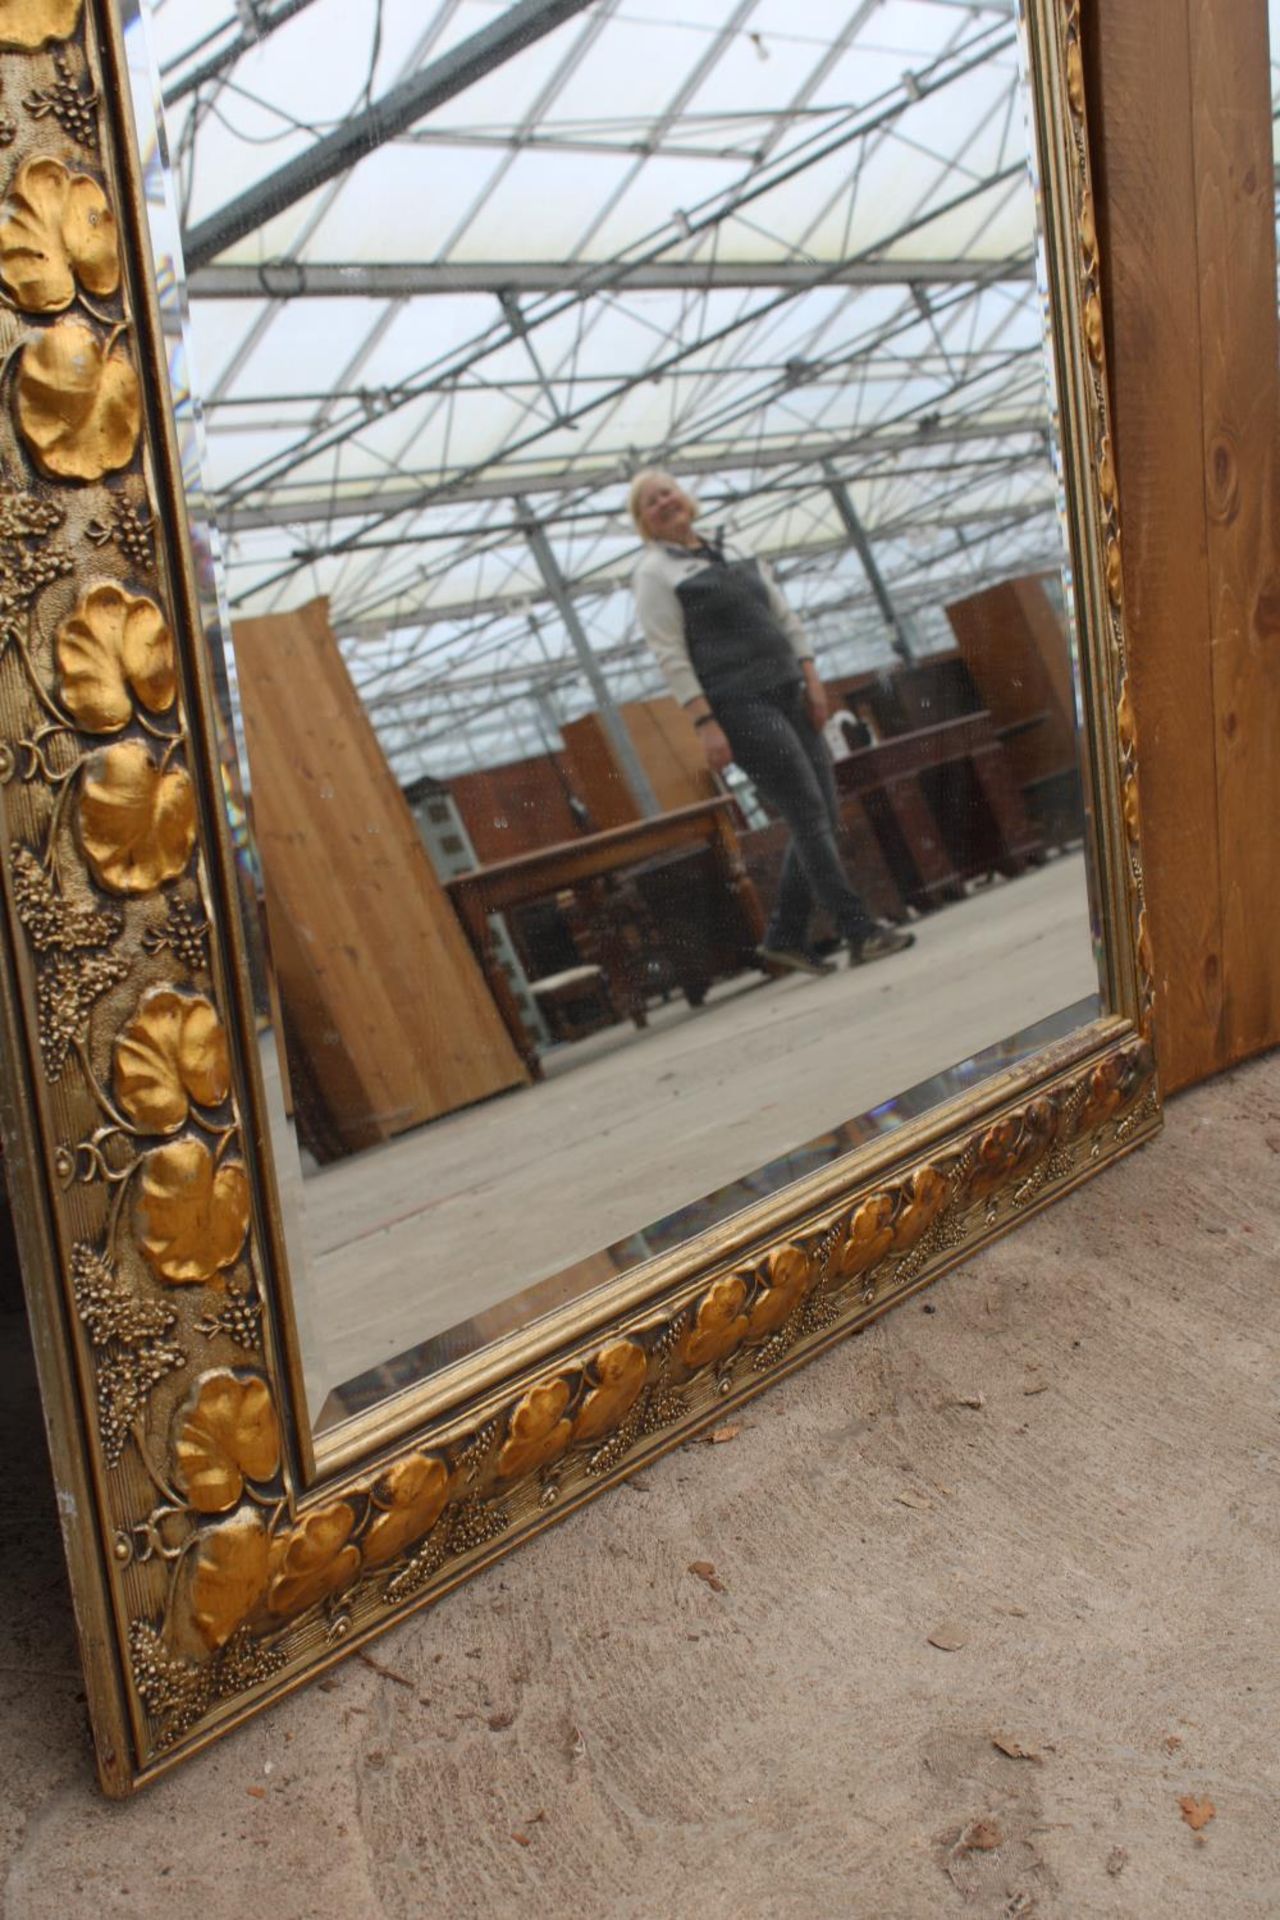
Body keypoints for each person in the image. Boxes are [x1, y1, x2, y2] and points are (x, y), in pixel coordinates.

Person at [628, 467, 914, 975]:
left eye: (667, 491)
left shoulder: (732, 544)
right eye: (651, 501)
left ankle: (783, 935)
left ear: (685, 496)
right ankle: (859, 932)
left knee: (820, 814)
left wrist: (811, 675)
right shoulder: (654, 573)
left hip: (789, 688)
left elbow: (784, 615)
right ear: (643, 521)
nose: (664, 502)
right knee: (807, 811)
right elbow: (669, 654)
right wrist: (704, 724)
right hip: (738, 704)